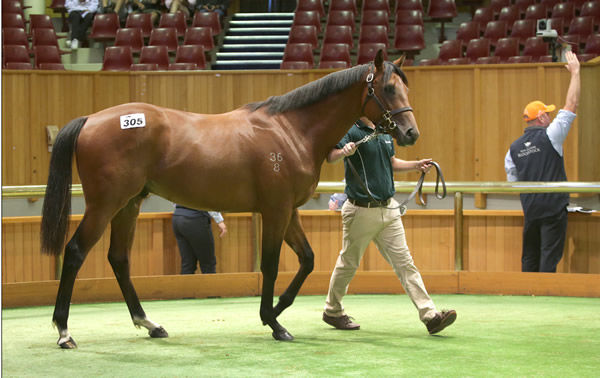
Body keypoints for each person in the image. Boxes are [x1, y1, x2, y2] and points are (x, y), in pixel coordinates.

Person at [322, 116, 457, 335]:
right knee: (348, 263)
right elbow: (330, 156)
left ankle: (430, 316)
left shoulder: (384, 130)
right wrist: (343, 152)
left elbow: (391, 162)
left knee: (405, 263)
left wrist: (416, 165)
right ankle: (332, 310)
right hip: (360, 210)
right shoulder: (351, 129)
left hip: (389, 209)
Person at [504, 51, 581, 273]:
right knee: (549, 256)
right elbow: (572, 104)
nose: (550, 116)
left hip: (531, 211)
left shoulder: (513, 149)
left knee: (529, 256)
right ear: (542, 118)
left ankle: (527, 297)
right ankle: (546, 295)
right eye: (547, 113)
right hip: (553, 210)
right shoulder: (552, 135)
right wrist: (575, 73)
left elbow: (513, 183)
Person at [172, 205, 227, 274]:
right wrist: (219, 221)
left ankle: (185, 284)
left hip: (177, 217)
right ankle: (209, 285)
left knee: (188, 264)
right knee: (208, 264)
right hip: (195, 219)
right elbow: (206, 201)